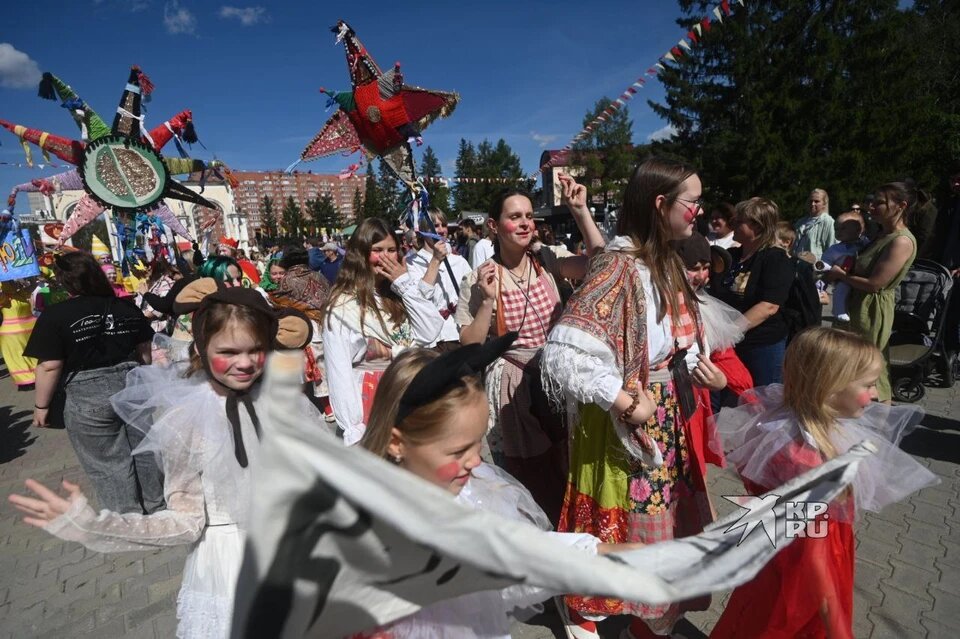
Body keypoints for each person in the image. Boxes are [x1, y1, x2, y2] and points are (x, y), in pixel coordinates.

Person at [10, 279, 316, 639]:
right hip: (228, 567)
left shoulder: (285, 401)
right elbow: (185, 521)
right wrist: (94, 525)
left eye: (256, 350)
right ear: (202, 347)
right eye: (230, 352)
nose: (246, 363)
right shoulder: (188, 418)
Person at [540, 158, 725, 639]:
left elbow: (675, 331)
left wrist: (700, 369)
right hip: (631, 420)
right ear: (661, 205)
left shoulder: (661, 261)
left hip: (665, 412)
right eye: (693, 202)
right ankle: (586, 609)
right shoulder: (621, 266)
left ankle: (647, 611)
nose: (699, 212)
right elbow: (564, 351)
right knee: (619, 521)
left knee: (658, 521)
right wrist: (624, 402)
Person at [355, 336, 634, 639]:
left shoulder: (465, 494)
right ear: (397, 443)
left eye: (478, 443)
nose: (476, 461)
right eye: (458, 451)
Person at [710, 328, 937, 638]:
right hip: (802, 570)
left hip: (775, 555)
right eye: (868, 385)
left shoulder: (781, 421)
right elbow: (814, 562)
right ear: (829, 388)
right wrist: (837, 627)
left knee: (752, 613)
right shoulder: (810, 464)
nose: (874, 395)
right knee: (778, 622)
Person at [457, 174, 604, 525]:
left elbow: (601, 265)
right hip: (513, 385)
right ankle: (541, 536)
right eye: (515, 216)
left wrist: (581, 211)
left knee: (568, 463)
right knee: (532, 475)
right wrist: (487, 302)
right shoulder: (479, 279)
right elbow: (470, 344)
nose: (525, 223)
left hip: (558, 377)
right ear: (494, 225)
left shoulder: (548, 260)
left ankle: (575, 532)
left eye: (528, 216)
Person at [23, 251, 162, 514]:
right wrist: (144, 378)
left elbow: (50, 365)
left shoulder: (56, 315)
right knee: (145, 449)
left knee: (107, 460)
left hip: (88, 392)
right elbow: (145, 349)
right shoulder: (125, 306)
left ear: (65, 281)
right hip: (132, 381)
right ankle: (156, 507)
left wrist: (41, 407)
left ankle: (127, 515)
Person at [321, 218, 444, 445]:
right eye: (377, 250)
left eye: (391, 250)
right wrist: (353, 427)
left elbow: (429, 332)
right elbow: (340, 373)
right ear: (360, 254)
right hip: (371, 397)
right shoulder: (342, 305)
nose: (386, 257)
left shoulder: (400, 293)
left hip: (408, 389)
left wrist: (404, 283)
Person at [826, 182, 918, 402]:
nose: (872, 207)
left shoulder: (901, 241)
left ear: (901, 206)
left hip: (871, 309)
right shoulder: (879, 235)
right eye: (872, 202)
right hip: (855, 303)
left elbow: (875, 284)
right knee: (850, 364)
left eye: (880, 203)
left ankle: (878, 424)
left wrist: (840, 276)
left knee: (870, 368)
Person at [713, 197, 795, 385]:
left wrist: (730, 333)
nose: (732, 224)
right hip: (729, 344)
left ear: (757, 227)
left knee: (762, 403)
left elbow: (769, 306)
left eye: (738, 221)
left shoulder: (776, 259)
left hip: (761, 345)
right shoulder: (731, 257)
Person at [405, 210, 472, 352]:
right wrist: (435, 261)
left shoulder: (458, 261)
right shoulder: (412, 263)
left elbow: (471, 297)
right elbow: (421, 298)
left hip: (458, 334)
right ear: (423, 231)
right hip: (433, 341)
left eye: (444, 225)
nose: (441, 230)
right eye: (435, 226)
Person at [818, 210, 868, 323]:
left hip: (857, 276)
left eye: (843, 228)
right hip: (841, 275)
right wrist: (822, 266)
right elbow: (827, 260)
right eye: (836, 229)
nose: (838, 232)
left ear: (858, 230)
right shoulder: (835, 248)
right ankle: (838, 310)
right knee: (840, 289)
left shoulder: (866, 243)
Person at [0, 279, 39, 390]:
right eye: (10, 282)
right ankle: (26, 381)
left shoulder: (20, 294)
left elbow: (34, 284)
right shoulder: (5, 299)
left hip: (29, 329)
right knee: (18, 357)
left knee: (31, 355)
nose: (13, 283)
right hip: (12, 333)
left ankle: (38, 376)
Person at [140, 259, 183, 334]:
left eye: (148, 265)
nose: (146, 268)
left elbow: (160, 308)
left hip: (159, 330)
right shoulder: (151, 281)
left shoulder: (166, 282)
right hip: (149, 328)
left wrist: (139, 316)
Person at [794, 188, 836, 262]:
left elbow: (832, 249)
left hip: (814, 269)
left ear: (824, 204)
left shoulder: (829, 223)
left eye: (816, 201)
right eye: (811, 201)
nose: (812, 204)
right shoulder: (800, 222)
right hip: (796, 268)